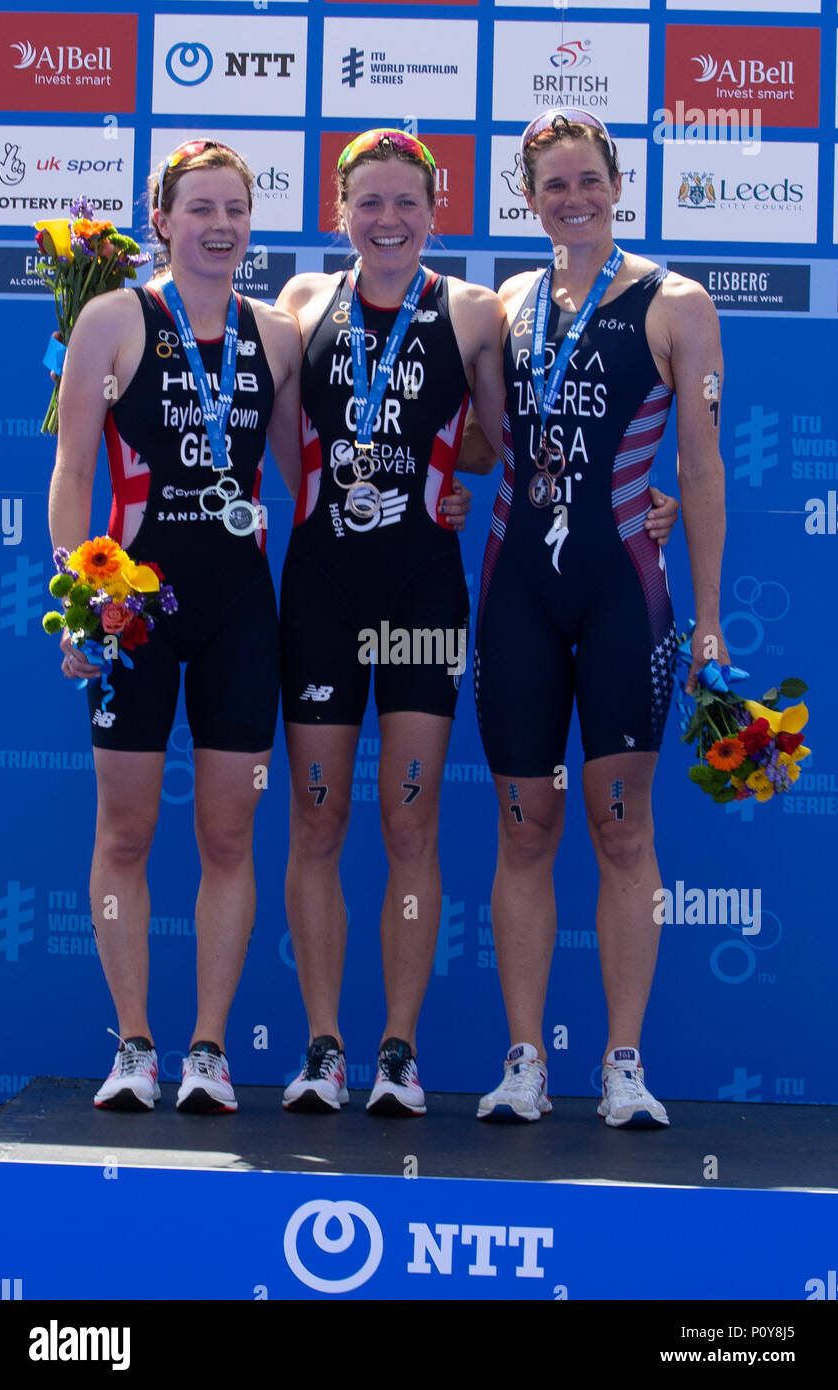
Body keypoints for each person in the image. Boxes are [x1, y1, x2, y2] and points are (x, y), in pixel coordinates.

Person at [272, 128, 678, 1118]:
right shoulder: (293, 305)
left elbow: (502, 442)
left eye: (405, 201)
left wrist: (466, 490)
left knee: (409, 821)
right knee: (317, 817)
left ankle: (399, 1054)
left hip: (425, 598)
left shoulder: (471, 311)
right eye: (367, 201)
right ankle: (325, 1048)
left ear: (435, 209)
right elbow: (270, 438)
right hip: (323, 593)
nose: (386, 218)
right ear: (339, 210)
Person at [470, 110, 728, 1128]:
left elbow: (701, 468)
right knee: (522, 827)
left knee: (620, 832)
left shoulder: (675, 301)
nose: (571, 200)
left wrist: (706, 620)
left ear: (617, 183)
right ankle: (523, 1061)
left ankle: (622, 1063)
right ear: (526, 199)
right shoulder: (504, 303)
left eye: (587, 181)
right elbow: (487, 448)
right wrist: (453, 489)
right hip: (517, 594)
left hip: (623, 589)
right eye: (551, 186)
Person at [48, 140, 301, 1114]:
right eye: (200, 208)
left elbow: (310, 476)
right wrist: (80, 607)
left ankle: (208, 1049)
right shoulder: (113, 319)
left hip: (239, 607)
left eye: (235, 208)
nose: (220, 225)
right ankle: (135, 1046)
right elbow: (73, 474)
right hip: (133, 607)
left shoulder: (274, 334)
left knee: (228, 834)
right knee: (125, 830)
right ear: (162, 220)